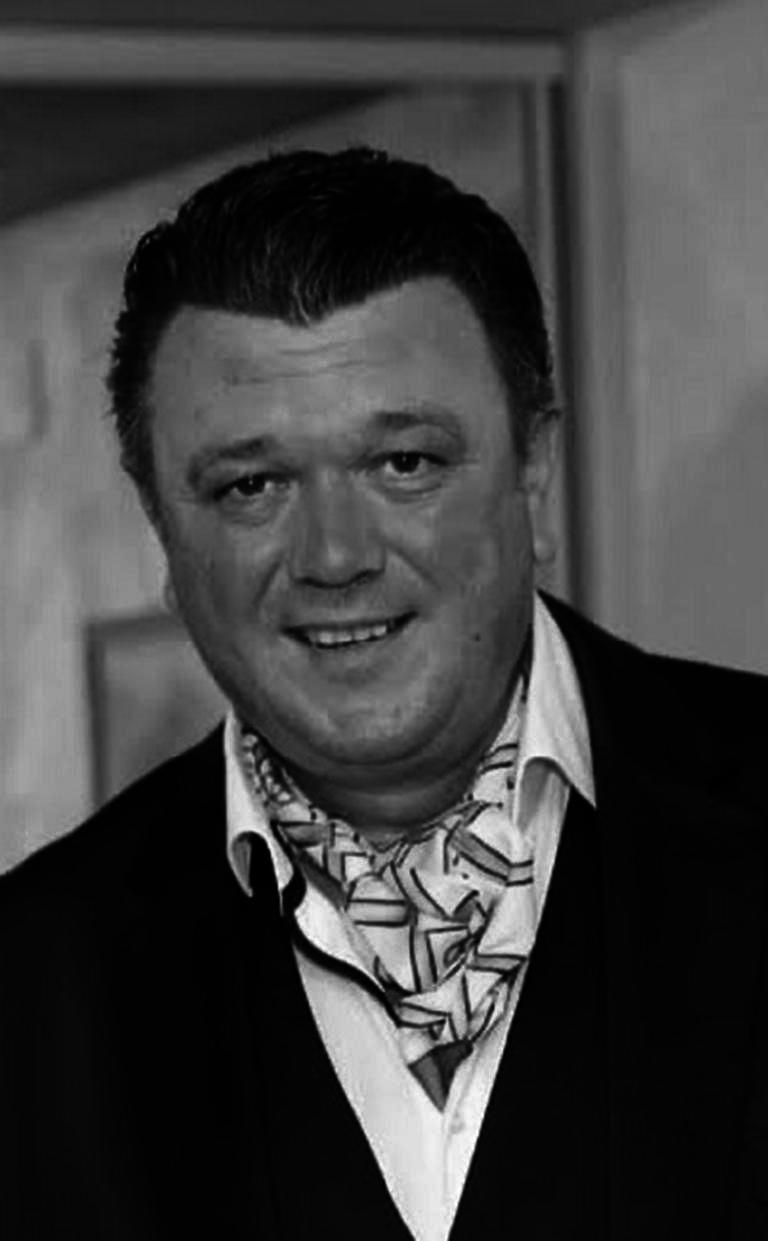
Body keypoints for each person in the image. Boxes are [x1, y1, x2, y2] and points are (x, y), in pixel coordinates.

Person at [1, 147, 766, 1241]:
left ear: (534, 465)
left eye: (404, 462)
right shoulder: (35, 989)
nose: (336, 554)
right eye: (252, 484)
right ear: (162, 528)